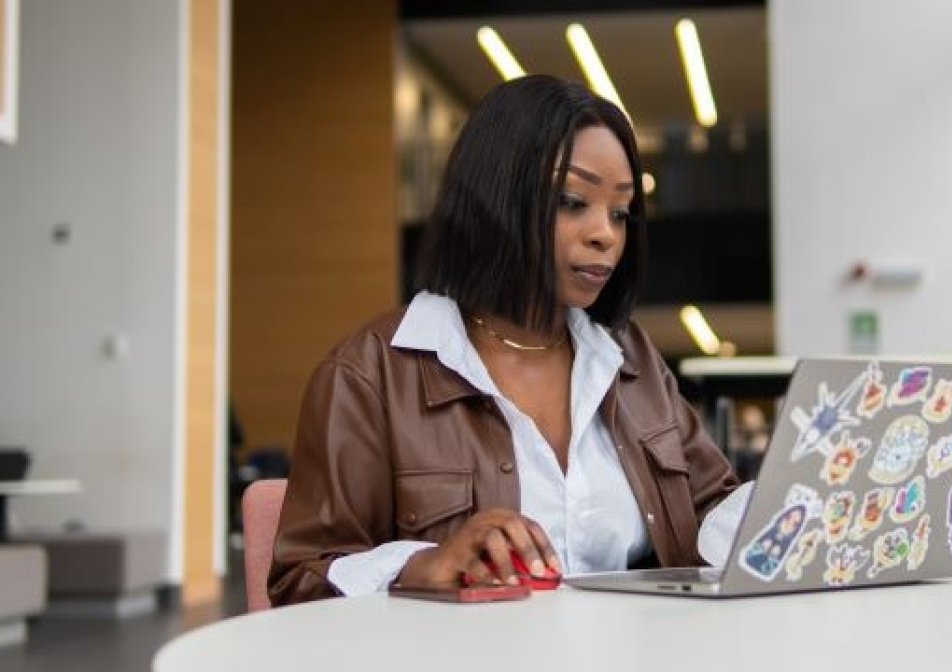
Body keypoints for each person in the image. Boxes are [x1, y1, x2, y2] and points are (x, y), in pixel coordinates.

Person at [268, 75, 742, 605]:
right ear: (496, 198)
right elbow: (299, 582)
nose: (605, 233)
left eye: (620, 212)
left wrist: (804, 498)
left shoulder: (630, 361)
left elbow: (713, 512)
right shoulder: (370, 373)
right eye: (572, 201)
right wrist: (423, 563)